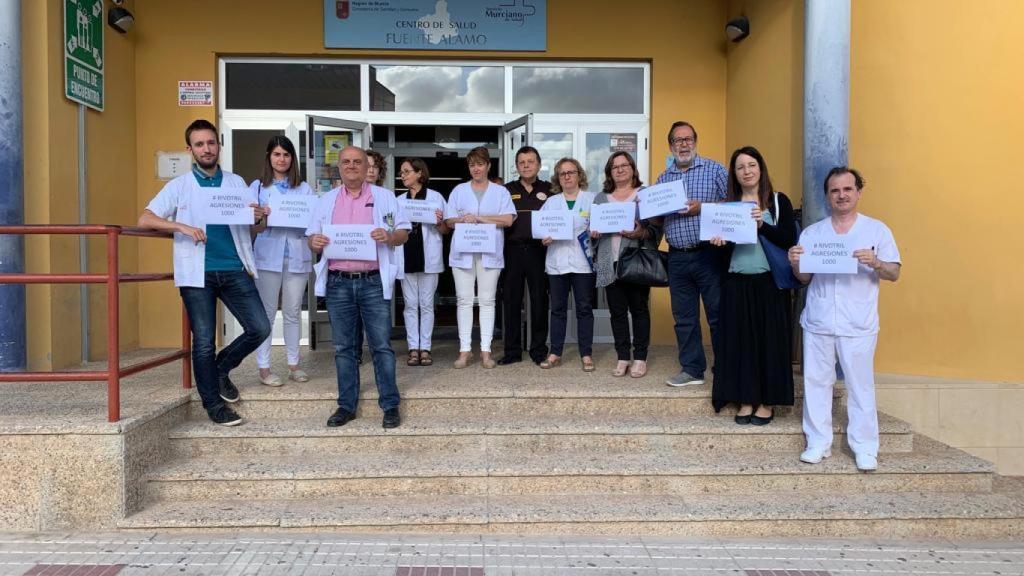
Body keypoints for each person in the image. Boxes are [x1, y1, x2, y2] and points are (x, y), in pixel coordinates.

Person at [138, 119, 270, 426]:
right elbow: (146, 219)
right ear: (190, 150)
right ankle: (213, 405)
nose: (206, 149)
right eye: (199, 144)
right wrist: (180, 226)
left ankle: (220, 368)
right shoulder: (179, 186)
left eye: (211, 143)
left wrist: (259, 216)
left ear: (218, 146)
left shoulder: (236, 183)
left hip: (234, 268)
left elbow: (251, 226)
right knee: (203, 342)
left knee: (260, 328)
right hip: (198, 274)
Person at [787, 167, 901, 471]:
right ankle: (817, 442)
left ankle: (865, 447)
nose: (841, 195)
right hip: (820, 320)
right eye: (835, 191)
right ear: (827, 196)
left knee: (860, 385)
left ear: (858, 193)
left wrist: (875, 262)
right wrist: (796, 263)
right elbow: (804, 278)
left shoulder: (877, 231)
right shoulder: (813, 233)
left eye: (847, 189)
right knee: (816, 382)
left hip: (858, 322)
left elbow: (894, 273)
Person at [306, 146, 410, 429]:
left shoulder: (384, 198)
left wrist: (389, 236)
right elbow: (311, 237)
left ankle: (389, 405)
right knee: (344, 348)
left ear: (367, 168)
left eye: (357, 162)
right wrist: (313, 242)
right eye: (346, 162)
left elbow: (403, 232)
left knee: (381, 347)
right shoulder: (325, 200)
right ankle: (346, 405)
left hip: (372, 282)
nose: (351, 166)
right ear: (338, 167)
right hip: (339, 283)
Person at [708, 147, 797, 425]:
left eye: (751, 165)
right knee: (741, 345)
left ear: (761, 168)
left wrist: (762, 225)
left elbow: (788, 240)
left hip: (769, 285)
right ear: (734, 174)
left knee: (769, 344)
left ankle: (767, 402)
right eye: (740, 167)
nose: (746, 171)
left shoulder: (778, 201)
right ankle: (745, 399)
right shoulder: (727, 206)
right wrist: (718, 243)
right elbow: (722, 255)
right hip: (736, 283)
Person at [656, 121, 728, 388]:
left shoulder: (715, 170)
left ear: (695, 141)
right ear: (670, 145)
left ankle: (725, 367)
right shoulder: (663, 179)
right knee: (684, 318)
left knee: (718, 314)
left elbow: (732, 204)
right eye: (678, 140)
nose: (683, 144)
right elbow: (657, 218)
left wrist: (703, 208)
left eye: (688, 139)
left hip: (709, 253)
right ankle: (692, 369)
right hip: (676, 256)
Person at [249, 136, 315, 387]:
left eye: (286, 155)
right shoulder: (256, 187)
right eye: (277, 154)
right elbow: (250, 228)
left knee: (293, 312)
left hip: (296, 256)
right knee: (266, 313)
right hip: (268, 257)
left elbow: (313, 224)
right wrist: (260, 218)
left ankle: (294, 364)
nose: (282, 159)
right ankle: (264, 368)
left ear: (292, 159)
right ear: (269, 157)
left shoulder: (304, 189)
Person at [590, 151, 662, 378]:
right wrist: (593, 233)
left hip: (635, 261)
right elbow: (593, 230)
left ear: (632, 168)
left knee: (639, 310)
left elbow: (656, 230)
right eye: (615, 166)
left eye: (624, 165)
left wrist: (640, 232)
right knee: (617, 312)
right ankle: (622, 357)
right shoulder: (601, 198)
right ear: (609, 172)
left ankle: (640, 357)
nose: (620, 169)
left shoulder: (645, 194)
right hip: (607, 261)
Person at [444, 147, 516, 369]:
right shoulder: (459, 190)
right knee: (464, 300)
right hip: (463, 253)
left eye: (480, 164)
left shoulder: (500, 192)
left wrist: (480, 218)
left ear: (488, 165)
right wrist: (461, 219)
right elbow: (448, 221)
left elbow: (508, 220)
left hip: (489, 253)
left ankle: (486, 351)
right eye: (472, 165)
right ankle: (464, 350)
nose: (476, 168)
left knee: (487, 301)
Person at [538, 157, 597, 372]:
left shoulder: (591, 200)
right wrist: (544, 237)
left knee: (584, 308)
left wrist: (596, 232)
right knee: (558, 310)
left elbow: (601, 227)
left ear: (579, 175)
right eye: (562, 173)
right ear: (558, 178)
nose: (567, 176)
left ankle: (586, 353)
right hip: (557, 264)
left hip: (583, 264)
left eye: (571, 172)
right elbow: (541, 228)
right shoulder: (551, 203)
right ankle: (555, 352)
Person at [498, 146, 550, 366]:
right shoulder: (505, 190)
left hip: (540, 251)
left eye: (530, 161)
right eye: (522, 162)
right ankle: (512, 351)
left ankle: (538, 350)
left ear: (538, 164)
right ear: (517, 166)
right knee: (510, 301)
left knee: (540, 300)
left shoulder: (550, 189)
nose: (526, 165)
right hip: (512, 251)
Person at [396, 158, 449, 367]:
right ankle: (412, 348)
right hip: (406, 255)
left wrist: (438, 222)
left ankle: (425, 348)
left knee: (426, 304)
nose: (403, 175)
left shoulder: (435, 198)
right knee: (410, 305)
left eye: (407, 171)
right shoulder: (399, 200)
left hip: (429, 257)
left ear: (420, 173)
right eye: (401, 172)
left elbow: (446, 230)